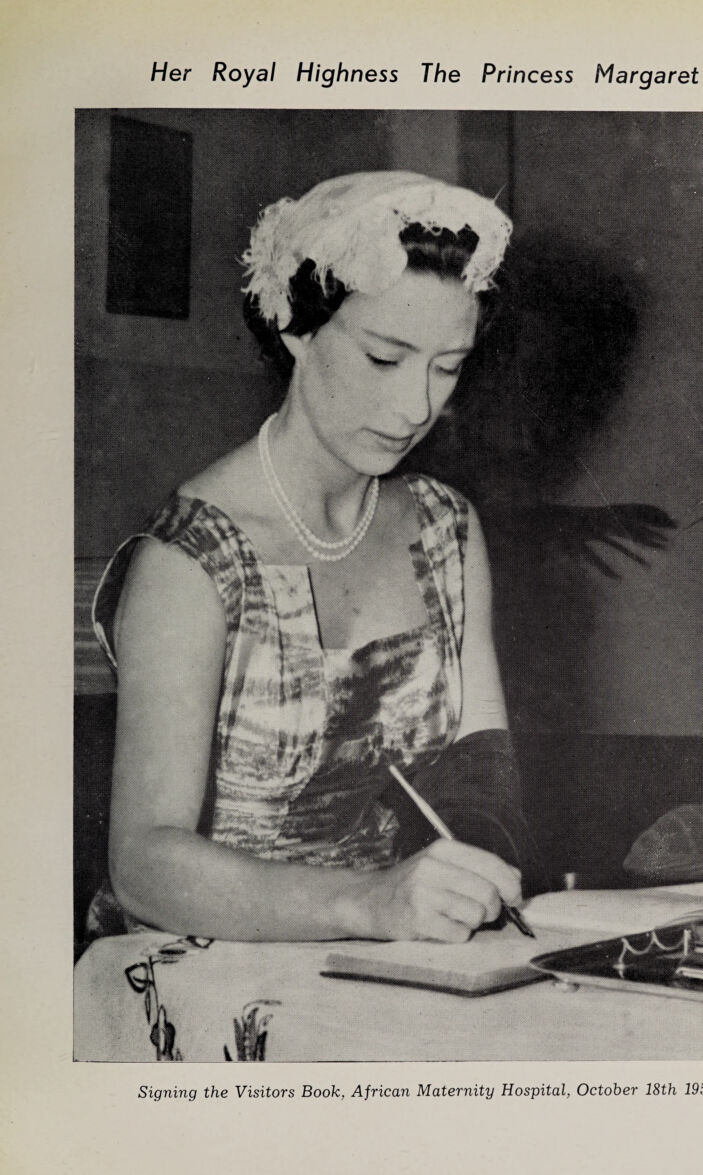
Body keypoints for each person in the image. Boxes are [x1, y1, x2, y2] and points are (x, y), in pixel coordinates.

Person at [91, 170, 542, 946]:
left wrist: (474, 881)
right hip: (195, 975)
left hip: (391, 965)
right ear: (296, 331)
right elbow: (142, 863)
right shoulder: (190, 559)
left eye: (447, 366)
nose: (415, 408)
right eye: (383, 357)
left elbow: (478, 763)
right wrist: (367, 902)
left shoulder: (445, 528)